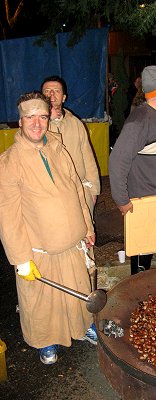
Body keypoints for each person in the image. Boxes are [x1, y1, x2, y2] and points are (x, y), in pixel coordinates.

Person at [0, 92, 98, 365]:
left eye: (42, 116)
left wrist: (87, 226)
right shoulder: (8, 162)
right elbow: (8, 216)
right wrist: (20, 259)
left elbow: (77, 189)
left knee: (77, 290)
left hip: (72, 242)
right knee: (43, 303)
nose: (36, 123)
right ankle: (45, 341)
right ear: (20, 121)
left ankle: (82, 328)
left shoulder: (58, 147)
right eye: (30, 117)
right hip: (39, 249)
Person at [109, 65, 156, 275]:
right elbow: (117, 161)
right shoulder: (140, 121)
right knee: (142, 265)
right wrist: (122, 201)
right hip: (146, 206)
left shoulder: (155, 116)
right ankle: (139, 302)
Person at [41, 76, 100, 215]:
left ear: (64, 97)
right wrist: (45, 117)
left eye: (56, 91)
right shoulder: (35, 127)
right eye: (47, 91)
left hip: (79, 190)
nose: (51, 94)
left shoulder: (76, 124)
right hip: (49, 194)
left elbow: (88, 158)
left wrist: (93, 189)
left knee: (85, 233)